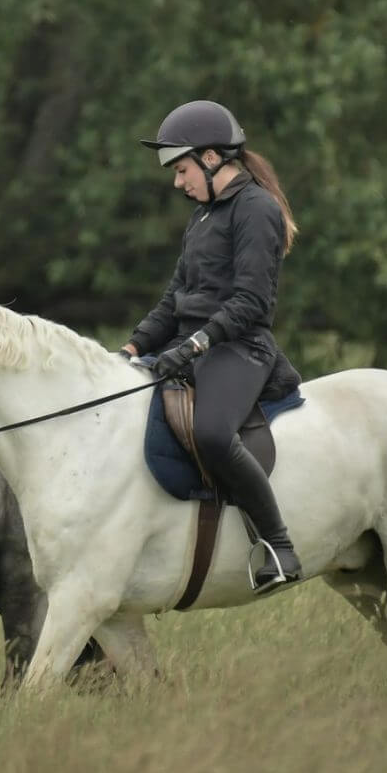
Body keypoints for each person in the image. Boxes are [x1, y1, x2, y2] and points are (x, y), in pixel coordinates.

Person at [120, 100, 304, 593]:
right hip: (192, 345)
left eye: (181, 170)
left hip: (241, 348)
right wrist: (133, 348)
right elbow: (173, 299)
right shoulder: (202, 218)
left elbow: (251, 301)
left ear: (210, 157)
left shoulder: (256, 210)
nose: (178, 183)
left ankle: (278, 546)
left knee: (213, 433)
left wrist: (198, 343)